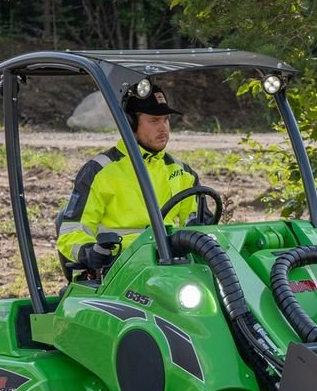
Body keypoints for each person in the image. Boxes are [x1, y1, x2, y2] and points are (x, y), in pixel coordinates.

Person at [55, 80, 205, 274]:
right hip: (115, 271)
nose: (163, 128)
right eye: (154, 120)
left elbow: (201, 227)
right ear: (130, 123)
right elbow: (71, 233)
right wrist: (90, 252)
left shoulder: (182, 173)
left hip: (168, 268)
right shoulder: (99, 171)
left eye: (166, 119)